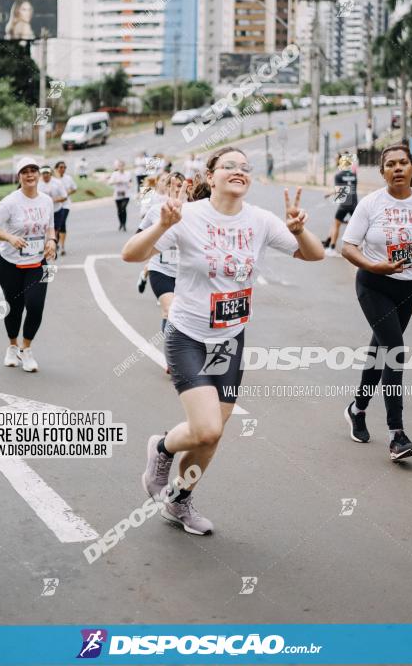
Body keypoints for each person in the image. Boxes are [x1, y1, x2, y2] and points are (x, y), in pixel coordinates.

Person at [122, 146, 324, 534]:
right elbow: (131, 255)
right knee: (208, 428)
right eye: (228, 166)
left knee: (211, 436)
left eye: (245, 167)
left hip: (229, 339)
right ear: (209, 177)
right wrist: (163, 226)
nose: (238, 171)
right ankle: (162, 448)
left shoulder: (261, 221)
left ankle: (180, 502)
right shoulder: (187, 216)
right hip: (188, 336)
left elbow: (312, 255)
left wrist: (299, 231)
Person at [341, 143, 412, 461]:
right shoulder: (371, 204)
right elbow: (348, 246)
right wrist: (374, 266)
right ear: (383, 171)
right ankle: (396, 434)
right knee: (395, 352)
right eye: (391, 164)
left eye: (403, 163)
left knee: (381, 350)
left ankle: (357, 409)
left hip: (409, 287)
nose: (398, 168)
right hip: (374, 284)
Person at [0, 157, 57, 373]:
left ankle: (26, 349)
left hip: (38, 263)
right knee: (14, 308)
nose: (30, 174)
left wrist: (51, 241)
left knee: (35, 306)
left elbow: (50, 227)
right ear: (19, 176)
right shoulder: (10, 202)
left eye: (33, 170)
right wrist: (9, 238)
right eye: (25, 171)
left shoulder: (47, 201)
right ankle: (12, 346)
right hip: (9, 264)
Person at [138, 172, 185, 333]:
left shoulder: (194, 211)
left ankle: (179, 350)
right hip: (161, 269)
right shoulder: (155, 210)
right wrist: (159, 229)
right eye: (172, 185)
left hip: (186, 273)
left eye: (179, 185)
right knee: (169, 310)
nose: (176, 189)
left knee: (183, 315)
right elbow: (137, 238)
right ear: (166, 187)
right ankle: (173, 352)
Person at [322, 152, 358, 256]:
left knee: (336, 225)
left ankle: (332, 248)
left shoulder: (338, 175)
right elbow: (351, 188)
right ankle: (361, 247)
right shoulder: (354, 175)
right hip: (354, 203)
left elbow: (340, 192)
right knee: (358, 226)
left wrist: (329, 194)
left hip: (344, 204)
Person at [54, 161, 77, 255]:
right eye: (60, 167)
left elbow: (74, 188)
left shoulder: (68, 178)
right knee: (56, 226)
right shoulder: (53, 179)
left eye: (64, 167)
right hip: (54, 206)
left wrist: (67, 193)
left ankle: (62, 246)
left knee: (62, 223)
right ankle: (56, 243)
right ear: (56, 168)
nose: (62, 169)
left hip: (65, 205)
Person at [38, 165, 67, 236]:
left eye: (47, 173)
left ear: (50, 173)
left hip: (57, 210)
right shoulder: (38, 184)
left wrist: (52, 200)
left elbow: (64, 197)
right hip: (43, 212)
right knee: (45, 230)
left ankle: (54, 242)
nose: (45, 175)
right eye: (43, 173)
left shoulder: (57, 182)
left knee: (56, 229)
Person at [108, 161, 133, 231]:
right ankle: (121, 223)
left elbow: (130, 182)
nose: (121, 167)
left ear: (124, 166)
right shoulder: (115, 174)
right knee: (119, 210)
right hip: (118, 194)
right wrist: (116, 182)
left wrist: (130, 185)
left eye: (122, 166)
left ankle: (124, 224)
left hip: (126, 194)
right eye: (119, 166)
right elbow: (110, 182)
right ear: (118, 167)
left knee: (123, 208)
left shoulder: (128, 174)